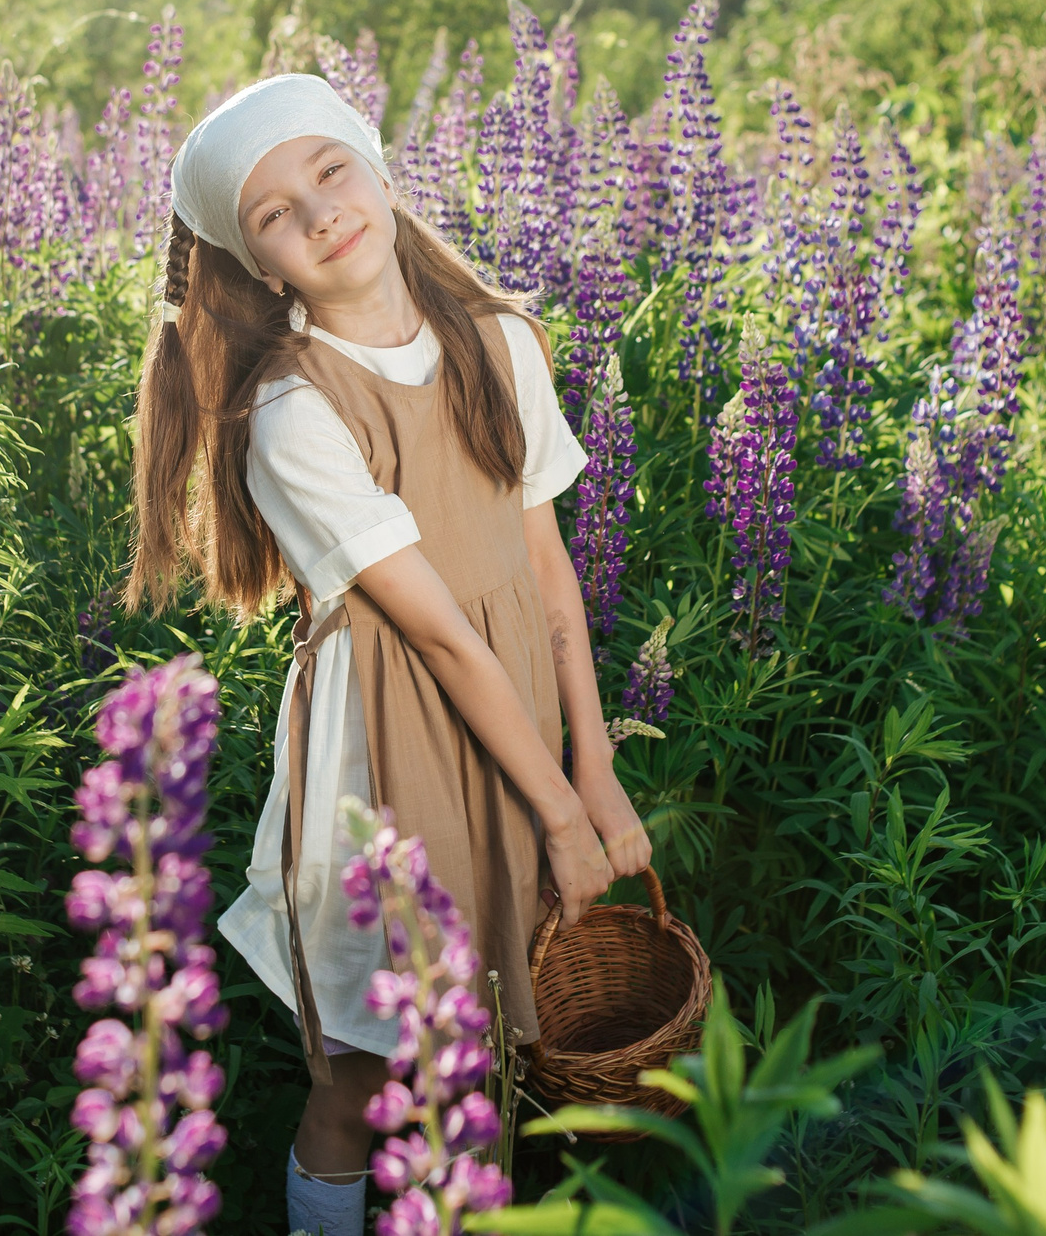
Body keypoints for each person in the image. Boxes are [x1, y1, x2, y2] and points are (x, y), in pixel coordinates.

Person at [127, 72, 653, 1236]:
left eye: (328, 169)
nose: (318, 213)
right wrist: (561, 813)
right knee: (365, 1072)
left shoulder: (499, 340)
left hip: (513, 699)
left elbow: (548, 579)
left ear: (377, 165)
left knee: (516, 1021)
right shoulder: (291, 409)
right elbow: (435, 637)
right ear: (262, 266)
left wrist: (596, 761)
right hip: (388, 746)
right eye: (274, 213)